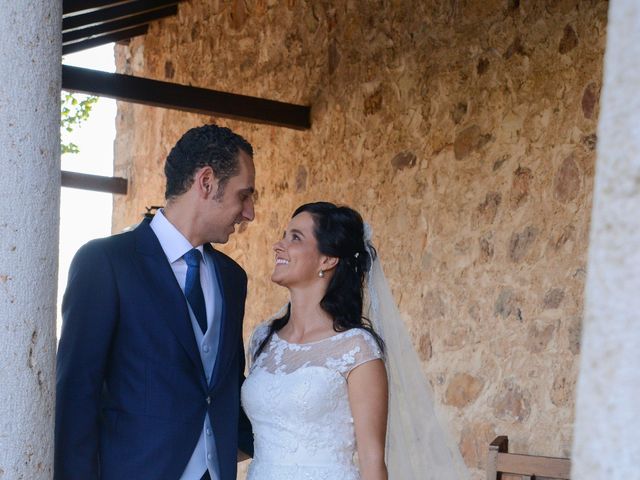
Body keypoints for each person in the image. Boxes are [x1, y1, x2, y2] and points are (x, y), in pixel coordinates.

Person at [55, 124, 256, 480]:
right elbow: (76, 395)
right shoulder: (106, 262)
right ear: (206, 182)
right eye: (244, 196)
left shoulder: (232, 278)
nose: (249, 213)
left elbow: (224, 386)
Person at [241, 202, 389, 480]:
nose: (278, 245)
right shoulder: (263, 339)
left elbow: (372, 462)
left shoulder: (356, 348)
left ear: (327, 260)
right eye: (284, 235)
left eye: (295, 237)